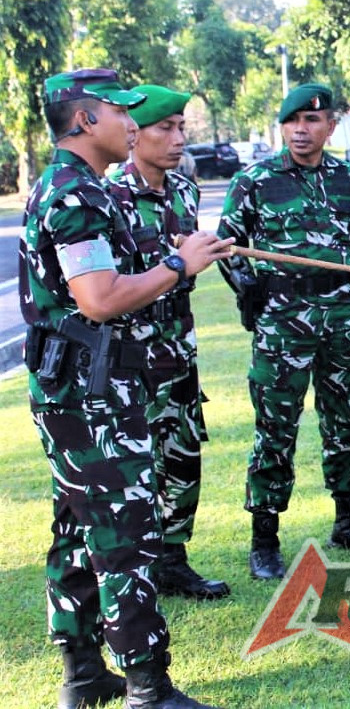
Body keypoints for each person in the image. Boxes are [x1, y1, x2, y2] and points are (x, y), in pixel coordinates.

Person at [21, 68, 231, 708]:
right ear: (86, 120)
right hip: (93, 395)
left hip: (85, 387)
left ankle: (83, 676)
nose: (133, 125)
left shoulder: (79, 187)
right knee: (126, 534)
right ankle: (148, 686)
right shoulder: (75, 194)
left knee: (78, 530)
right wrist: (178, 264)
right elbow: (100, 298)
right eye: (122, 112)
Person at [217, 83, 350, 583]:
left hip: (340, 317)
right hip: (282, 323)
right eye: (293, 121)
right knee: (276, 429)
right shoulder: (254, 180)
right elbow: (228, 249)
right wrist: (254, 296)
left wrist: (344, 298)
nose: (302, 129)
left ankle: (349, 521)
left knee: (345, 421)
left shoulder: (347, 179)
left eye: (313, 121)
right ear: (283, 126)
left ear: (330, 126)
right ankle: (265, 540)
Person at [104, 85, 230, 602]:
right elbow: (107, 288)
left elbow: (185, 271)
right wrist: (174, 264)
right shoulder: (107, 196)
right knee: (131, 471)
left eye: (182, 126)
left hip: (177, 352)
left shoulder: (183, 191)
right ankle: (134, 573)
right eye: (166, 128)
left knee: (181, 460)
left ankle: (173, 561)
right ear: (134, 133)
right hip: (127, 359)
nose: (179, 138)